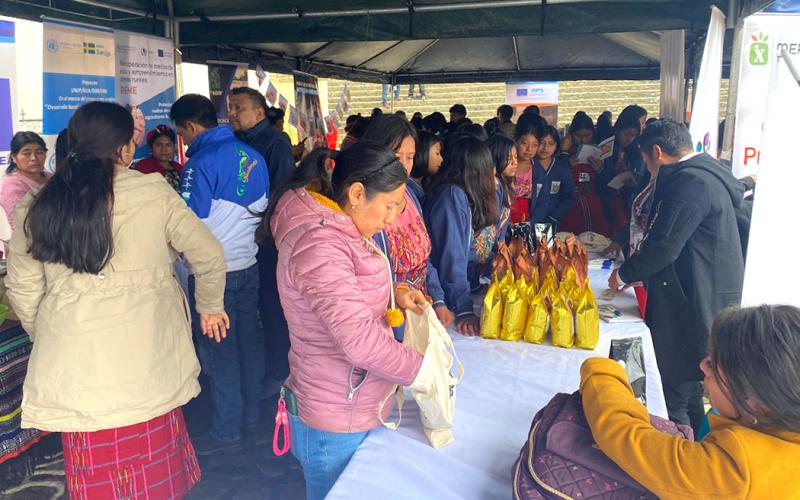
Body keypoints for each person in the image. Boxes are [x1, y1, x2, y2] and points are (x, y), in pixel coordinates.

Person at [5, 101, 228, 498]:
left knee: (95, 478)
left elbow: (22, 290)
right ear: (125, 148)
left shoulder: (38, 202)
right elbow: (208, 253)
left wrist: (56, 332)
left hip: (77, 367)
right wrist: (209, 306)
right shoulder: (151, 191)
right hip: (149, 359)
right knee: (155, 474)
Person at [266, 140, 427, 500]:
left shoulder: (341, 227)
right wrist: (424, 369)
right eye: (389, 207)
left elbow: (344, 297)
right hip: (336, 417)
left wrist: (394, 294)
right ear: (357, 193)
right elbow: (359, 342)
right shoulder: (320, 244)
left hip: (353, 402)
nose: (391, 219)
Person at [608, 119, 745, 435]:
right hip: (705, 292)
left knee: (673, 390)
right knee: (691, 385)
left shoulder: (691, 184)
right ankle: (698, 444)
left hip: (693, 300)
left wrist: (626, 273)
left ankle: (681, 459)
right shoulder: (706, 173)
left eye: (645, 160)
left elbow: (665, 245)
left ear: (656, 152)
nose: (647, 167)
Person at [580, 304, 800, 498]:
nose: (703, 366)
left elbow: (622, 434)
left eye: (713, 364)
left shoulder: (737, 470)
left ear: (753, 395)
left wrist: (600, 369)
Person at [170, 94, 270, 455]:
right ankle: (255, 418)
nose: (183, 141)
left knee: (220, 353)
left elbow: (187, 223)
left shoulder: (200, 163)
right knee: (249, 343)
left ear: (191, 128)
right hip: (249, 266)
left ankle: (227, 429)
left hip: (215, 277)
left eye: (182, 134)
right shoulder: (254, 156)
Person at [363, 116, 452, 328]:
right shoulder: (365, 207)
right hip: (389, 320)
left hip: (418, 312)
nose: (403, 166)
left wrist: (438, 301)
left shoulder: (411, 194)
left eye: (410, 157)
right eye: (395, 157)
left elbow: (424, 259)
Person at [425, 136, 500, 336]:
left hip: (457, 292)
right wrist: (464, 308)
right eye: (490, 173)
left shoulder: (461, 196)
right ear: (476, 172)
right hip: (446, 299)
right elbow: (453, 258)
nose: (495, 181)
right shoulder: (452, 197)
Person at [229, 87, 294, 191]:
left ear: (259, 113)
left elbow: (280, 190)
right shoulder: (233, 140)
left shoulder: (276, 143)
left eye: (238, 108)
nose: (231, 113)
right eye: (230, 107)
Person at [597, 105, 648, 235]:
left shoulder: (636, 153)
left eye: (633, 135)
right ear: (617, 131)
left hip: (626, 201)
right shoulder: (606, 148)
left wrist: (633, 181)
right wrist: (601, 169)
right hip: (605, 200)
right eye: (626, 134)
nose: (629, 139)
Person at [560, 112, 610, 235]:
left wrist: (600, 170)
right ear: (571, 135)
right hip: (570, 207)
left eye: (587, 135)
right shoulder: (563, 154)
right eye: (578, 136)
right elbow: (556, 180)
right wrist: (565, 158)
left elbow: (608, 183)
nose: (583, 139)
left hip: (594, 206)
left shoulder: (600, 152)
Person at [1, 132, 51, 231]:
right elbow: (21, 225)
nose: (33, 158)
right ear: (13, 158)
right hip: (32, 241)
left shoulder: (52, 178)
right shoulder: (13, 186)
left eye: (39, 152)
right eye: (26, 153)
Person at [531, 125, 576, 228]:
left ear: (557, 146)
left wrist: (554, 217)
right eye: (541, 143)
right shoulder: (528, 166)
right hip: (530, 220)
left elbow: (569, 197)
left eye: (551, 143)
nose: (545, 148)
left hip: (554, 222)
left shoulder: (562, 168)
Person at [510, 118, 544, 223]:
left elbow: (543, 201)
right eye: (524, 143)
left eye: (535, 145)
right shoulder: (506, 167)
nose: (529, 149)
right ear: (516, 140)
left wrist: (532, 222)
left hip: (527, 222)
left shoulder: (538, 171)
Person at [133, 124, 183, 192]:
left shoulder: (179, 167)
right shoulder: (144, 167)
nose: (164, 149)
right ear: (151, 147)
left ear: (174, 147)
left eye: (168, 145)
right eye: (159, 145)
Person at [410, 131, 443, 196]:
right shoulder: (408, 188)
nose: (441, 159)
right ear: (423, 152)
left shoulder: (423, 184)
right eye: (437, 153)